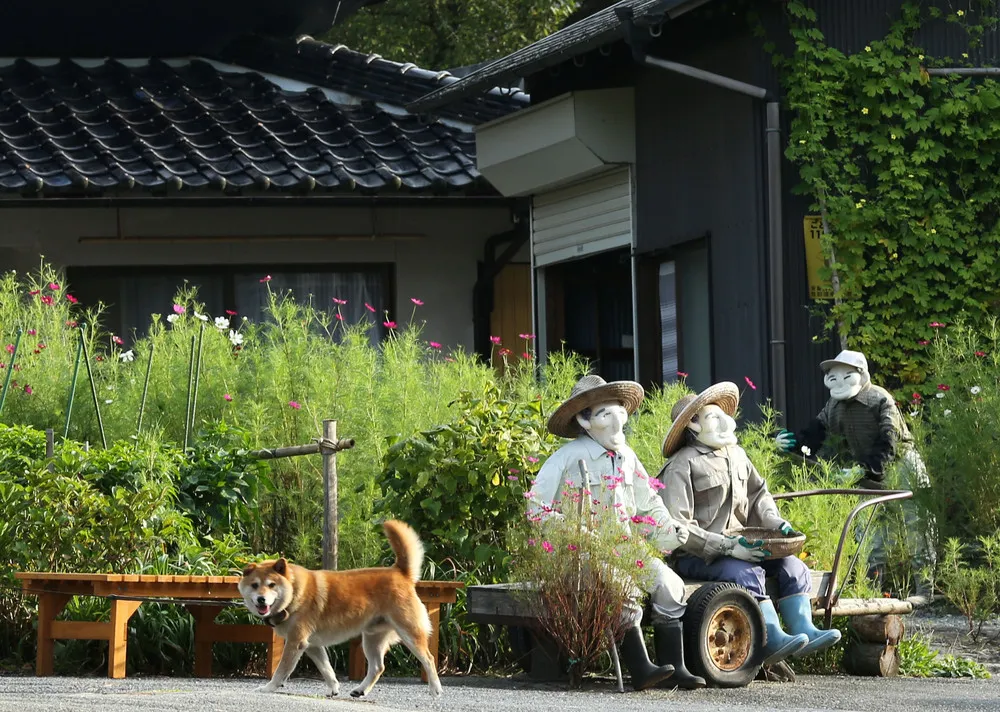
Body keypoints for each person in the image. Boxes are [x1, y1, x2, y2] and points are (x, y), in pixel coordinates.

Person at [526, 374, 705, 690]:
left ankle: (675, 667)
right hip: (581, 553)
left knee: (669, 584)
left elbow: (649, 503)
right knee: (621, 587)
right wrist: (573, 531)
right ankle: (640, 667)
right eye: (604, 412)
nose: (616, 418)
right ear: (585, 420)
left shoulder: (628, 457)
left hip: (626, 546)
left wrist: (669, 530)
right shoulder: (566, 458)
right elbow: (536, 509)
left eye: (619, 409)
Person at [658, 382, 841, 665]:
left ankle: (805, 629)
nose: (723, 421)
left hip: (745, 543)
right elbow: (678, 525)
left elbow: (759, 496)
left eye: (721, 414)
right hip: (698, 555)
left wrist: (777, 523)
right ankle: (770, 638)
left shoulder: (737, 455)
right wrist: (728, 547)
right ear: (693, 427)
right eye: (712, 417)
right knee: (746, 573)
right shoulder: (682, 465)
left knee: (793, 566)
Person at [775, 350, 936, 605]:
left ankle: (925, 592)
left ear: (861, 375)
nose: (838, 382)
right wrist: (793, 443)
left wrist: (867, 468)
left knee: (916, 526)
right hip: (864, 469)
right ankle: (872, 592)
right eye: (832, 376)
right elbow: (816, 434)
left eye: (845, 375)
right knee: (870, 533)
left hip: (901, 465)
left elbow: (889, 439)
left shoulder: (879, 399)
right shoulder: (834, 405)